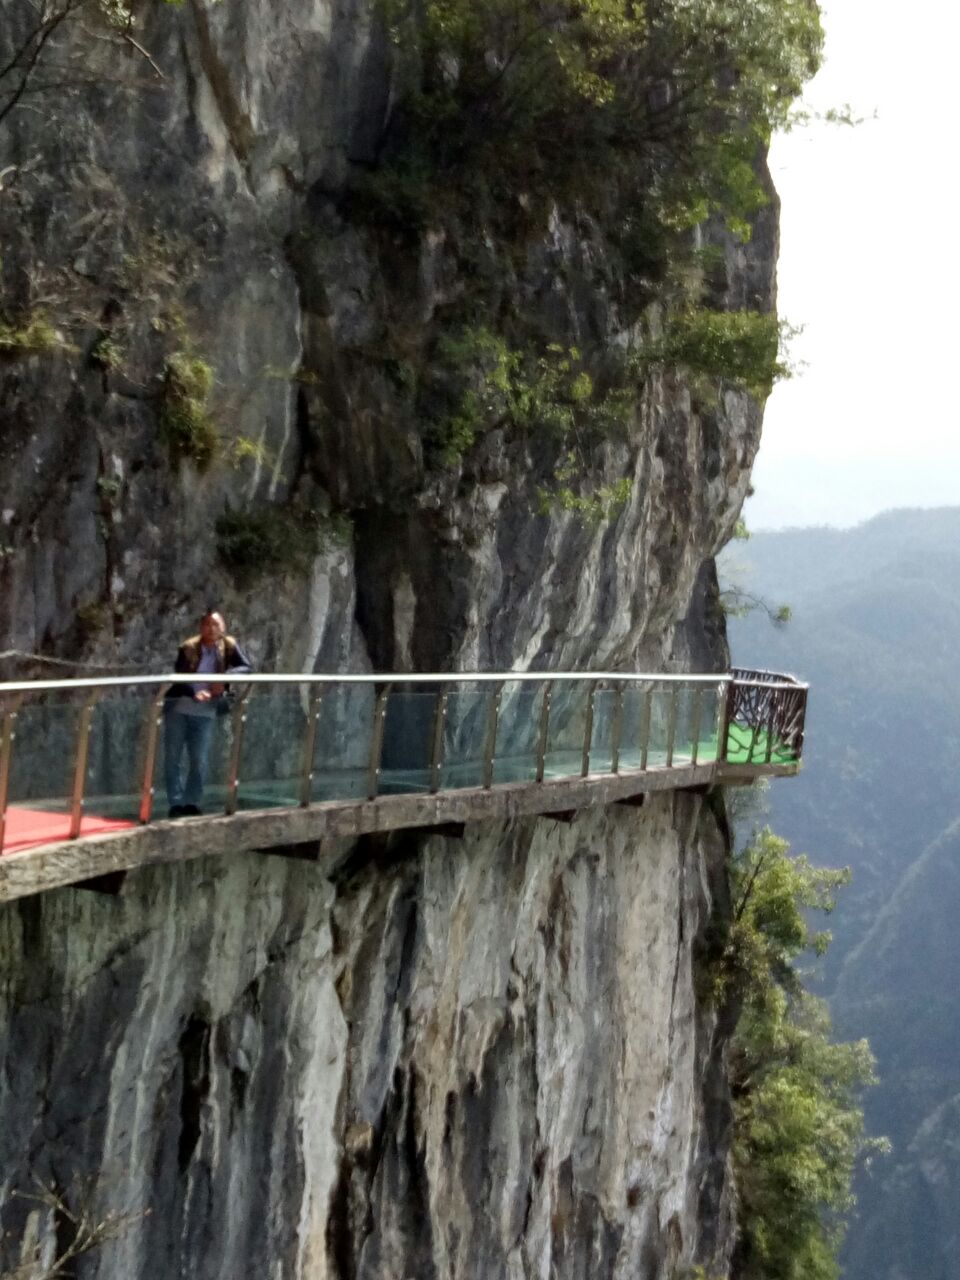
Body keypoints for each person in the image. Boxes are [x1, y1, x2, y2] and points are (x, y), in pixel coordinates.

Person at [164, 610, 252, 817]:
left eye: (216, 625)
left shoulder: (228, 646)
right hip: (180, 707)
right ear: (201, 628)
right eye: (207, 625)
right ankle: (175, 803)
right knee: (172, 757)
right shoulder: (188, 648)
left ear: (223, 628)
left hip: (206, 711)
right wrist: (195, 692)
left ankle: (191, 801)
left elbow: (247, 667)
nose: (211, 629)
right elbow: (179, 678)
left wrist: (223, 678)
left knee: (199, 759)